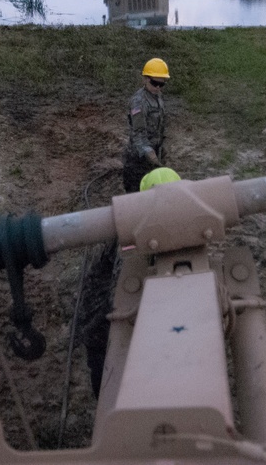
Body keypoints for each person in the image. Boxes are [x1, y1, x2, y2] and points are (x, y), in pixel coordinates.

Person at [79, 166, 182, 397]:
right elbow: (122, 294)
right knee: (109, 388)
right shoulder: (131, 238)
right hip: (104, 325)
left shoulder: (159, 228)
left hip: (119, 321)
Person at [122, 57, 169, 193]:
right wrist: (150, 154)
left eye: (162, 84)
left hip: (154, 153)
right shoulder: (139, 102)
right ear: (146, 79)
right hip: (138, 159)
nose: (158, 87)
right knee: (136, 195)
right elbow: (138, 135)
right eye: (155, 83)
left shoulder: (157, 96)